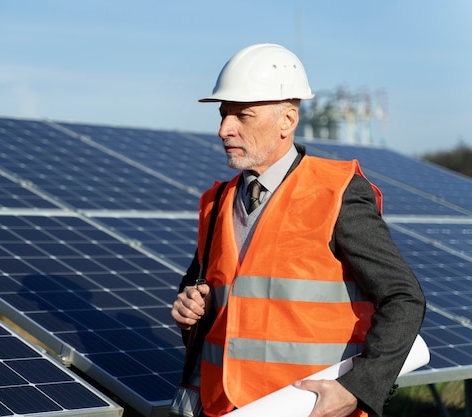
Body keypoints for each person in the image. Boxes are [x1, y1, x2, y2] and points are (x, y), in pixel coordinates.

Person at [170, 43, 426, 417]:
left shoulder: (336, 191)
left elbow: (404, 298)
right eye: (224, 115)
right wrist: (189, 307)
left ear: (287, 121)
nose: (224, 128)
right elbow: (217, 297)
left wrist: (357, 390)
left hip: (308, 408)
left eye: (243, 115)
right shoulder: (216, 201)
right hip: (225, 407)